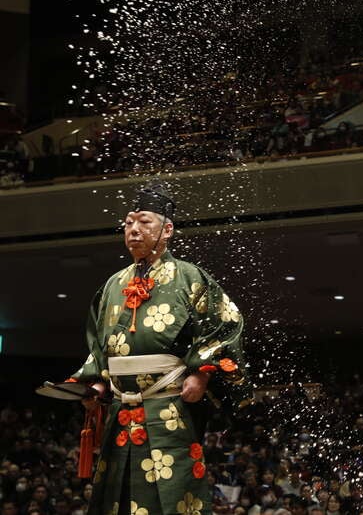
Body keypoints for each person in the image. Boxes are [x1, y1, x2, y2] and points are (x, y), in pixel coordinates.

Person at [72, 182, 252, 515]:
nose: (134, 231)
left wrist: (201, 373)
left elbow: (225, 325)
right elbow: (99, 345)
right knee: (117, 496)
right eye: (128, 223)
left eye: (144, 223)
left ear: (167, 230)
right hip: (119, 410)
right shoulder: (112, 285)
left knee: (172, 492)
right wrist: (96, 381)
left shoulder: (189, 277)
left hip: (169, 405)